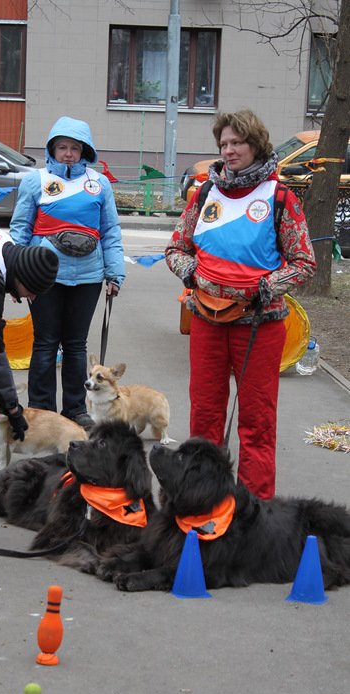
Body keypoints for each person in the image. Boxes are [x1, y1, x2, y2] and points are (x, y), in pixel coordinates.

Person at [166, 109, 316, 500]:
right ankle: (201, 499)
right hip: (206, 320)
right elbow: (176, 248)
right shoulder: (204, 194)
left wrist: (265, 286)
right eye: (224, 144)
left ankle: (256, 512)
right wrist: (193, 275)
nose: (230, 151)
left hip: (259, 326)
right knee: (205, 417)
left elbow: (304, 263)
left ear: (256, 145)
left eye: (238, 143)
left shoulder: (280, 197)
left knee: (257, 422)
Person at [10, 116, 125, 429]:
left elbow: (110, 230)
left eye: (75, 148)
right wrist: (14, 273)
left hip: (88, 277)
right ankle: (42, 410)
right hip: (43, 276)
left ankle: (75, 409)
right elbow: (20, 228)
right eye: (62, 147)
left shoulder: (99, 184)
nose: (68, 153)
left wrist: (114, 273)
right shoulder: (36, 180)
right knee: (45, 343)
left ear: (85, 151)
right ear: (52, 149)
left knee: (76, 345)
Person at [0, 221, 59, 436]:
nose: (32, 297)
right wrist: (13, 409)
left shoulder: (7, 245)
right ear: (21, 277)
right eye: (32, 290)